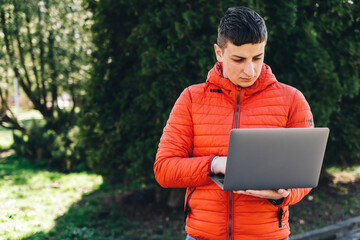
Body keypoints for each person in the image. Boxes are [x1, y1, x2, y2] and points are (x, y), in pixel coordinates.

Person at [154, 6, 313, 240]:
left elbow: (305, 174)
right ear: (219, 53)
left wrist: (284, 194)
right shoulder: (191, 98)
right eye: (239, 59)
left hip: (268, 235)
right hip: (203, 236)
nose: (250, 70)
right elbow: (164, 169)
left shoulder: (292, 100)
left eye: (257, 58)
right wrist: (215, 164)